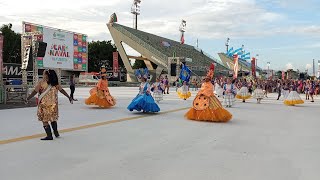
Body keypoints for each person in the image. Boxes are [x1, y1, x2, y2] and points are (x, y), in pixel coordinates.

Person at [25, 69, 73, 140]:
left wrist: (28, 98)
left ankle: (49, 136)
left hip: (44, 105)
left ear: (47, 75)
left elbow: (35, 92)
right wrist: (69, 97)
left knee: (44, 120)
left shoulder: (41, 83)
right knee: (53, 119)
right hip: (53, 105)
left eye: (44, 74)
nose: (43, 75)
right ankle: (56, 133)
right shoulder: (55, 84)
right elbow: (62, 90)